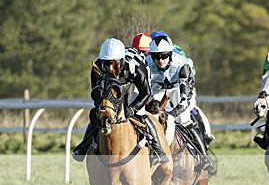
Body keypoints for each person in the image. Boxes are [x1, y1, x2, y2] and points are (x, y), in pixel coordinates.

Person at [73, 38, 168, 164]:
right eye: (106, 62)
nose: (109, 67)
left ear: (120, 60)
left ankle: (157, 149)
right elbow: (96, 95)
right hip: (110, 87)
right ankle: (83, 146)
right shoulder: (97, 67)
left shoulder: (135, 66)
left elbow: (146, 93)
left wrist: (131, 109)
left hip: (133, 84)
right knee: (100, 113)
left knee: (139, 114)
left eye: (112, 62)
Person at [146, 34, 216, 173]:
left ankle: (204, 157)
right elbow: (144, 90)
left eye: (164, 56)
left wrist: (173, 113)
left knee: (183, 119)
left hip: (177, 88)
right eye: (157, 56)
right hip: (157, 88)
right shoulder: (146, 64)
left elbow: (186, 96)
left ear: (170, 54)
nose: (160, 60)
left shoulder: (182, 65)